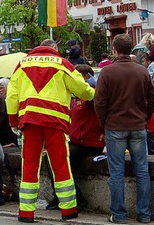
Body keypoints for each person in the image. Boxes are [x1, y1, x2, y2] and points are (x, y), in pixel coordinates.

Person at [7, 39, 94, 223]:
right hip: (55, 122)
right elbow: (82, 89)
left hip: (29, 122)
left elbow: (11, 96)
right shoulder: (63, 64)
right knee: (60, 165)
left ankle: (26, 212)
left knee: (29, 165)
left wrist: (13, 120)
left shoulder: (22, 64)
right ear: (54, 49)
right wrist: (95, 94)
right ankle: (68, 210)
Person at [94, 34, 154, 224]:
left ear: (114, 50)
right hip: (138, 125)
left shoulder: (107, 73)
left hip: (115, 126)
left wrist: (103, 122)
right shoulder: (142, 71)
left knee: (116, 172)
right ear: (131, 49)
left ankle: (119, 215)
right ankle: (144, 214)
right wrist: (144, 116)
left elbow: (99, 102)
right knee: (142, 171)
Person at [45, 64, 103, 212]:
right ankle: (60, 195)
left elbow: (103, 111)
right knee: (51, 157)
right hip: (78, 141)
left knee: (56, 157)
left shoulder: (91, 94)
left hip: (89, 143)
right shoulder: (77, 97)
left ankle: (75, 198)